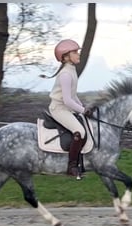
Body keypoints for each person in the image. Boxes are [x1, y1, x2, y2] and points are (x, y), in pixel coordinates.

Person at [40, 39, 93, 178]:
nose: (78, 54)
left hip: (66, 108)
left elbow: (73, 95)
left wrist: (82, 107)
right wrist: (82, 110)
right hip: (59, 109)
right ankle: (72, 166)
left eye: (77, 52)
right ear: (65, 56)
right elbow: (67, 100)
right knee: (80, 131)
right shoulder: (65, 74)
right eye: (75, 52)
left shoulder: (71, 71)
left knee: (85, 125)